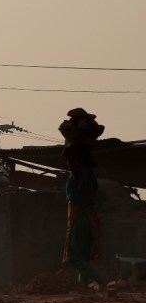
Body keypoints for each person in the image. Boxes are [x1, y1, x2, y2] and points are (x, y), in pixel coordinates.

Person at [60, 108, 108, 287]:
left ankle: (102, 280)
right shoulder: (90, 174)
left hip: (79, 215)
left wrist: (70, 147)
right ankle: (83, 288)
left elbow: (69, 155)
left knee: (73, 257)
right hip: (88, 216)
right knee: (82, 255)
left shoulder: (79, 174)